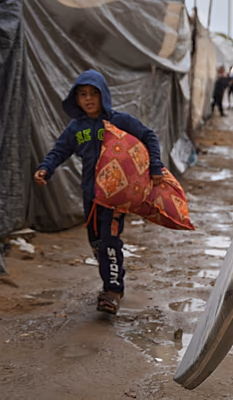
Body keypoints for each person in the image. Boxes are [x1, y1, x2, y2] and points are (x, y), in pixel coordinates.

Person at [33, 69, 164, 316]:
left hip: (114, 198)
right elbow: (59, 151)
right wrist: (45, 169)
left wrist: (155, 165)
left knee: (109, 242)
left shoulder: (119, 121)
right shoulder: (75, 129)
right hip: (90, 196)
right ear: (76, 98)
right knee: (96, 243)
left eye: (94, 93)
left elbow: (149, 136)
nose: (89, 98)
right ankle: (112, 272)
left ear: (104, 94)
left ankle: (113, 291)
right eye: (83, 94)